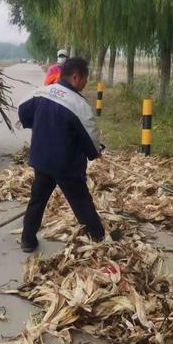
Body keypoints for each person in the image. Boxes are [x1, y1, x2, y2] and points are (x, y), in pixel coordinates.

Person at [18, 57, 105, 252]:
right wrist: (96, 152)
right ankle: (98, 238)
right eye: (85, 79)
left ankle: (27, 240)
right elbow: (90, 136)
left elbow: (22, 111)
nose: (85, 84)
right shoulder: (79, 105)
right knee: (81, 202)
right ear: (75, 77)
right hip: (66, 165)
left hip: (42, 160)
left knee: (37, 201)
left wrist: (39, 125)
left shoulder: (41, 92)